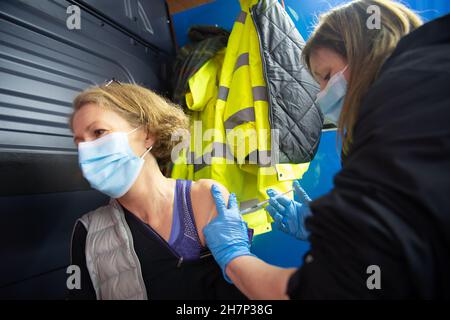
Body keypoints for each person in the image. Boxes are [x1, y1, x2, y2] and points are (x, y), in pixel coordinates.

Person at [202, 0, 450, 299]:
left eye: (326, 75)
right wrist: (347, 233)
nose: (321, 96)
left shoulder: (401, 106)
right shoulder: (430, 83)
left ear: (363, 48)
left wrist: (234, 258)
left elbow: (330, 290)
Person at [68, 82, 245, 300]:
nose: (86, 150)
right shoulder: (86, 230)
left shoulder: (204, 197)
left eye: (99, 132)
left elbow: (245, 287)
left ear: (147, 134)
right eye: (79, 143)